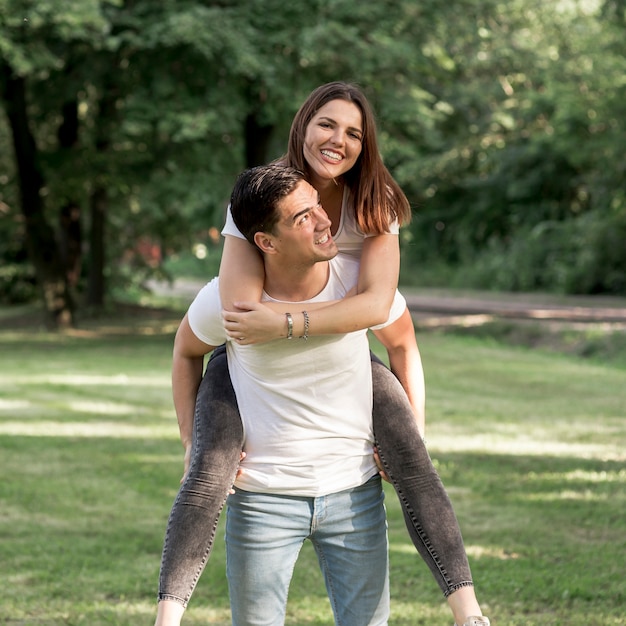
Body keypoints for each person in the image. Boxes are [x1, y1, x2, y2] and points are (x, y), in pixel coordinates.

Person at [155, 83, 490, 626]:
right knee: (207, 465)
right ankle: (168, 612)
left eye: (354, 132)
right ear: (303, 125)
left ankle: (468, 610)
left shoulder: (373, 202)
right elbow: (242, 307)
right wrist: (195, 426)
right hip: (260, 345)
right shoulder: (264, 197)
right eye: (327, 125)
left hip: (351, 335)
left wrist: (291, 322)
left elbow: (380, 304)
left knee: (411, 453)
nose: (339, 140)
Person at [166, 164, 399, 625]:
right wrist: (193, 444)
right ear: (266, 243)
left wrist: (405, 441)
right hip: (263, 500)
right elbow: (185, 352)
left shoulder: (356, 286)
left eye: (318, 207)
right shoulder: (233, 306)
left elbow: (402, 339)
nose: (324, 220)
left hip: (355, 493)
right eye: (302, 217)